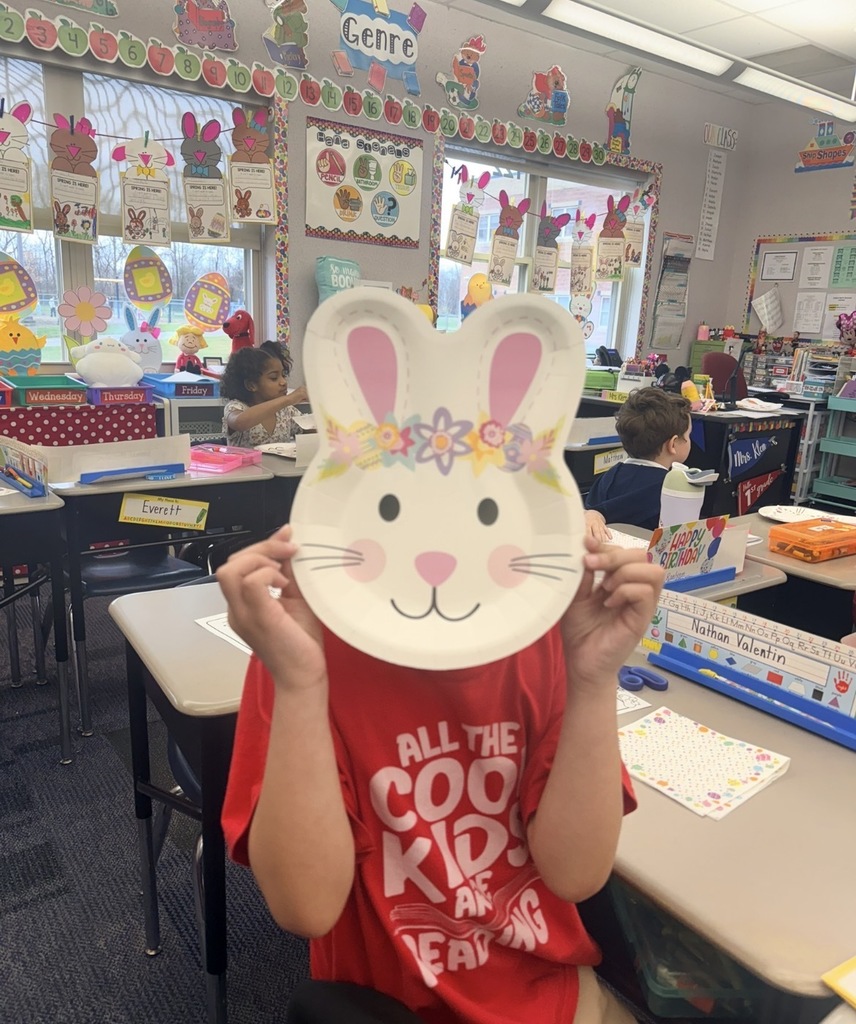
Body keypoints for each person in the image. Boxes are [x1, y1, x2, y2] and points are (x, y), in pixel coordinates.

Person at [218, 526, 664, 1024]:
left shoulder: (550, 637)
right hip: (384, 1010)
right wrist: (299, 683)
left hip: (544, 995)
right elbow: (305, 909)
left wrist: (594, 679)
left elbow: (576, 875)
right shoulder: (299, 648)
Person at [584, 387, 692, 542]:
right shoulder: (672, 487)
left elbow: (592, 511)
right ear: (673, 444)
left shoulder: (609, 476)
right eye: (689, 435)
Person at [220, 340, 308, 448]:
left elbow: (311, 430)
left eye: (283, 375)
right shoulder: (236, 407)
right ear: (251, 385)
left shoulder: (287, 411)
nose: (283, 382)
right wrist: (290, 399)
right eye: (274, 378)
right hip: (245, 465)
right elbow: (240, 422)